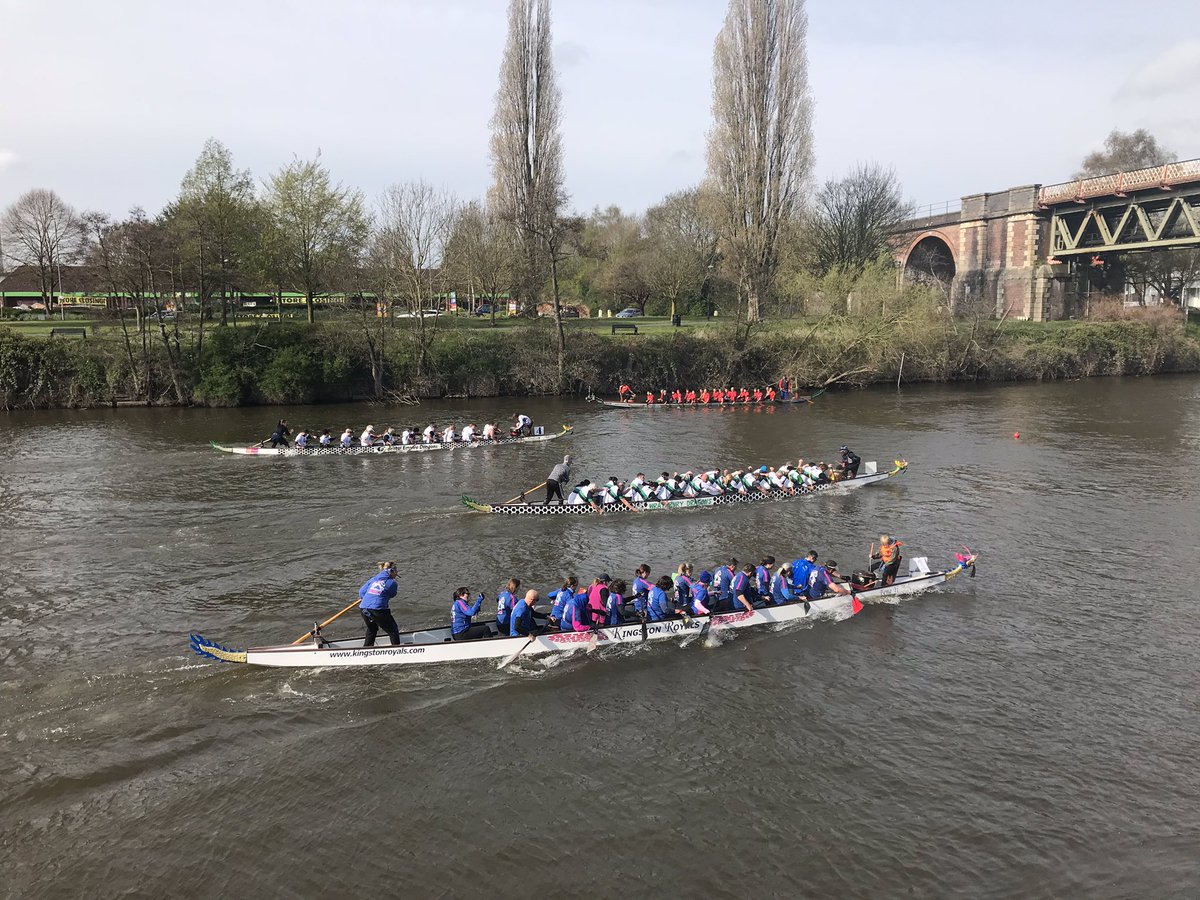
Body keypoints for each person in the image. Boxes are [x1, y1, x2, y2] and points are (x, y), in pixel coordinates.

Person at [359, 561, 400, 647]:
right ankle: (397, 650)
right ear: (391, 571)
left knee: (372, 629)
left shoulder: (373, 579)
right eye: (396, 570)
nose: (397, 573)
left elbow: (361, 592)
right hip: (378, 609)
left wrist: (367, 599)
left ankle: (367, 648)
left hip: (363, 608)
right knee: (393, 630)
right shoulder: (392, 583)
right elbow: (392, 594)